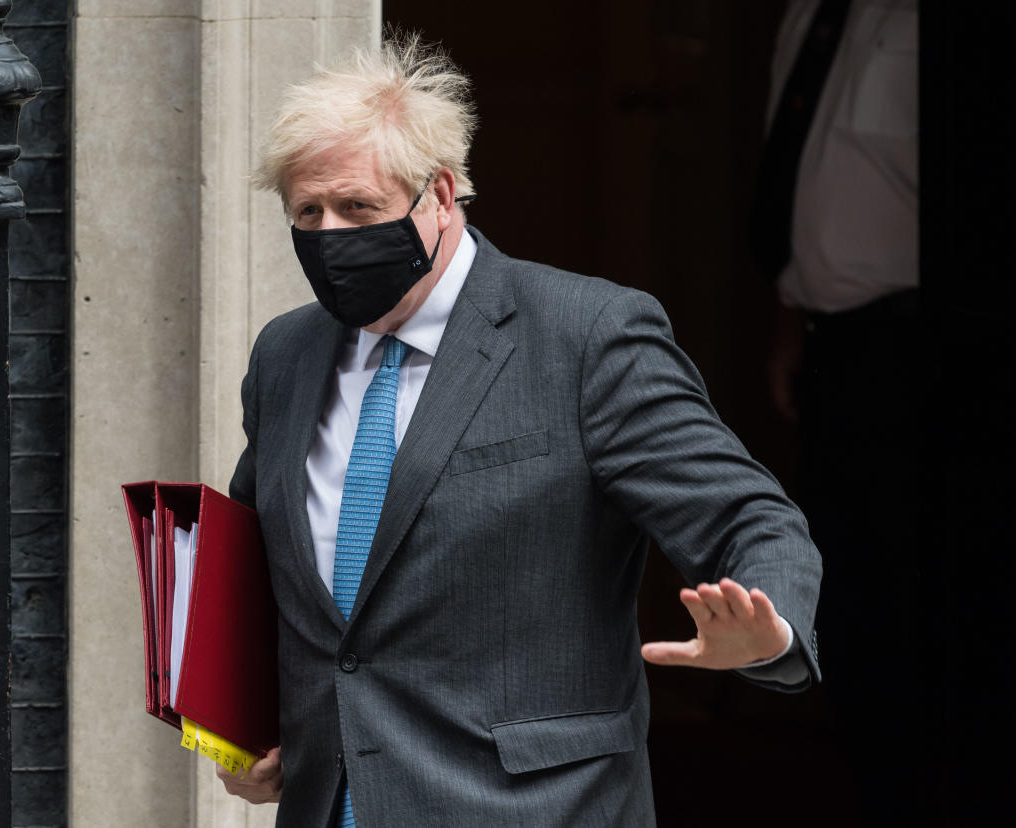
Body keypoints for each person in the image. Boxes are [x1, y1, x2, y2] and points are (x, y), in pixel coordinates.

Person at [220, 36, 822, 826]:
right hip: (334, 806)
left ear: (439, 196)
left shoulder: (586, 336)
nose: (330, 235)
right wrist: (240, 734)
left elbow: (749, 516)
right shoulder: (286, 355)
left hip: (535, 807)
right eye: (307, 211)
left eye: (358, 208)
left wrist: (767, 629)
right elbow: (256, 566)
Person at [754, 0, 918, 821]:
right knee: (846, 596)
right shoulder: (812, 14)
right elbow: (805, 175)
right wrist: (794, 316)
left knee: (922, 606)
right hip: (833, 347)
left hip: (924, 345)